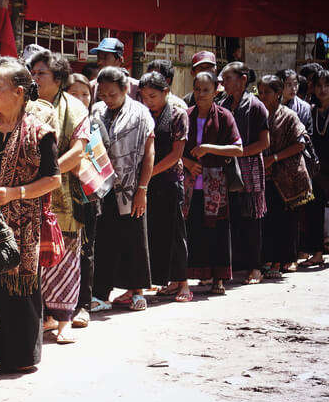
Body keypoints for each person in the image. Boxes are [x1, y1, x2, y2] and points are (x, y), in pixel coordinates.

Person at [0, 57, 61, 371]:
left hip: (23, 227)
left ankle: (20, 356)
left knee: (19, 290)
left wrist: (15, 193)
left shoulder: (39, 132)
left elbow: (54, 179)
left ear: (19, 92)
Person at [27, 49, 89, 343]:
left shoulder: (75, 108)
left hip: (65, 196)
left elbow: (78, 152)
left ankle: (64, 320)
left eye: (42, 74)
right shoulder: (27, 105)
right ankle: (44, 317)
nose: (35, 78)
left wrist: (48, 175)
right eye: (33, 73)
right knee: (35, 259)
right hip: (29, 195)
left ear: (59, 78)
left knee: (66, 259)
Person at [88, 66, 155, 313]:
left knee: (134, 238)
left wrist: (143, 189)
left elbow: (149, 153)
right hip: (102, 187)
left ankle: (137, 292)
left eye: (112, 94)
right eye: (102, 94)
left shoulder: (141, 114)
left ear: (125, 90)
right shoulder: (96, 111)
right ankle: (101, 293)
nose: (107, 99)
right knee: (103, 240)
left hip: (131, 186)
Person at [182, 71, 243, 295]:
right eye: (197, 89)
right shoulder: (186, 115)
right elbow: (174, 149)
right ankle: (190, 278)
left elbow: (238, 148)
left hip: (215, 182)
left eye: (205, 90)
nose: (200, 94)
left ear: (216, 90)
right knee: (192, 230)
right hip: (190, 183)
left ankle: (218, 279)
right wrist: (187, 162)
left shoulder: (224, 116)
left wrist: (208, 148)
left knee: (217, 230)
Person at [140, 71, 192, 302]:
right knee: (154, 232)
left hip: (169, 180)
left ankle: (183, 284)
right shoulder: (143, 114)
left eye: (153, 96)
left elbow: (176, 154)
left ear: (166, 92)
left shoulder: (178, 115)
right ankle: (165, 280)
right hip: (147, 182)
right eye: (144, 97)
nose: (148, 101)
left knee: (175, 233)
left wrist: (149, 174)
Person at [219, 61, 269, 284]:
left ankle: (255, 267)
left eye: (228, 79)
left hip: (249, 168)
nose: (224, 83)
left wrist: (239, 153)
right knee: (231, 218)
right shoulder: (223, 104)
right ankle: (235, 264)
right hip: (228, 167)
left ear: (243, 79)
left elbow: (264, 143)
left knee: (252, 219)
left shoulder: (256, 106)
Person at [258, 74, 313, 278]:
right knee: (268, 220)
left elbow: (301, 143)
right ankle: (269, 259)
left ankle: (283, 260)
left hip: (287, 177)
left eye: (267, 93)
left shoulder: (288, 115)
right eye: (260, 92)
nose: (263, 97)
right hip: (266, 177)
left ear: (278, 93)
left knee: (286, 221)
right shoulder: (259, 114)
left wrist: (274, 158)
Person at [64, 72, 97, 328]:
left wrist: (78, 165)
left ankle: (82, 305)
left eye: (84, 93)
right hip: (61, 196)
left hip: (88, 196)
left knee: (85, 251)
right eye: (74, 93)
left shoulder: (94, 123)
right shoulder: (61, 119)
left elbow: (101, 164)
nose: (80, 98)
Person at [301, 69, 329, 267]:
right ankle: (317, 252)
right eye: (319, 85)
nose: (323, 89)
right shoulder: (311, 111)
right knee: (315, 210)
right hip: (317, 170)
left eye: (327, 85)